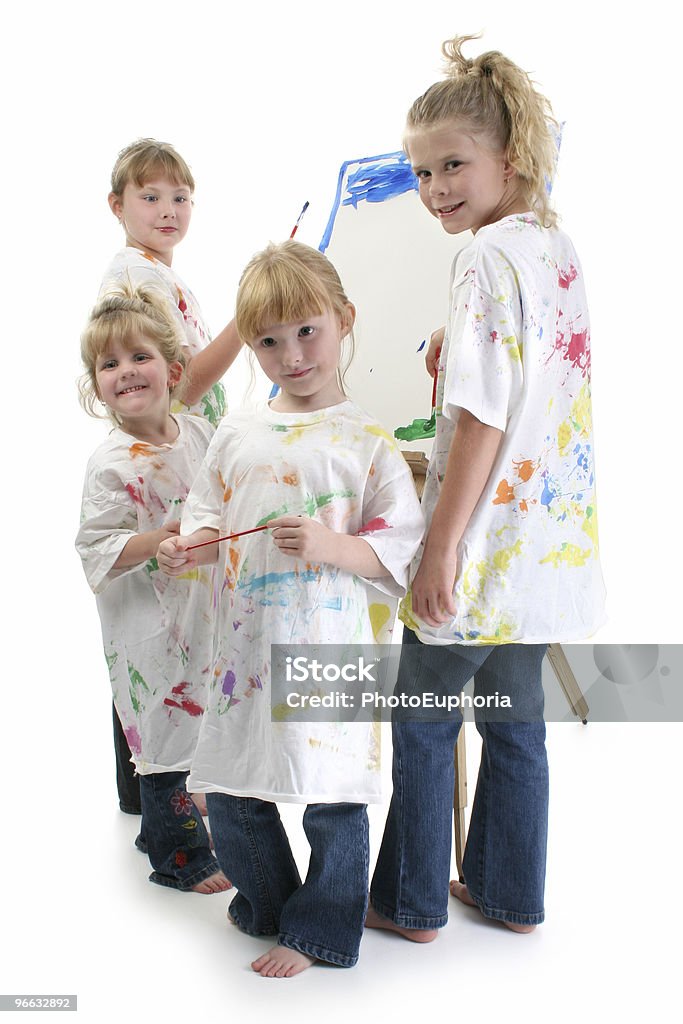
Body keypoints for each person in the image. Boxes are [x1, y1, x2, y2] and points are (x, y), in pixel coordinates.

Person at [367, 33, 606, 940]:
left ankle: (412, 902)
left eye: (452, 166)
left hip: (482, 547)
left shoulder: (480, 260)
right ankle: (508, 894)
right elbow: (530, 373)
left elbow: (477, 418)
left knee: (423, 720)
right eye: (420, 173)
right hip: (546, 549)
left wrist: (438, 548)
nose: (434, 191)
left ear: (512, 157)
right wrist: (450, 334)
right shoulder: (551, 244)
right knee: (516, 726)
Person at [157, 240, 424, 975]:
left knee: (332, 795)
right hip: (243, 649)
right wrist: (192, 548)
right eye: (268, 341)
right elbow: (208, 516)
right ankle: (269, 905)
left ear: (343, 319)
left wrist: (330, 546)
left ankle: (321, 930)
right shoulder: (239, 431)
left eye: (307, 331)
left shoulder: (364, 438)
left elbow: (400, 551)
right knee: (233, 782)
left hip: (329, 646)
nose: (291, 354)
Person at [75, 284, 232, 895]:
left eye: (137, 357)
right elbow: (95, 545)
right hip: (149, 623)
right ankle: (178, 857)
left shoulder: (199, 433)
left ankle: (171, 824)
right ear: (96, 387)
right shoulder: (112, 462)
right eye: (108, 365)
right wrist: (157, 541)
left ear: (172, 369)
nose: (124, 372)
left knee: (205, 713)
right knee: (162, 723)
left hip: (203, 611)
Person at [102, 138, 243, 813]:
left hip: (176, 455)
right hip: (161, 464)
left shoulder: (158, 272)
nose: (168, 209)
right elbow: (181, 382)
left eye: (180, 197)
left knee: (154, 627)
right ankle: (162, 790)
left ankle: (143, 789)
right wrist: (248, 321)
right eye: (150, 196)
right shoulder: (140, 278)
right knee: (161, 632)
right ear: (117, 205)